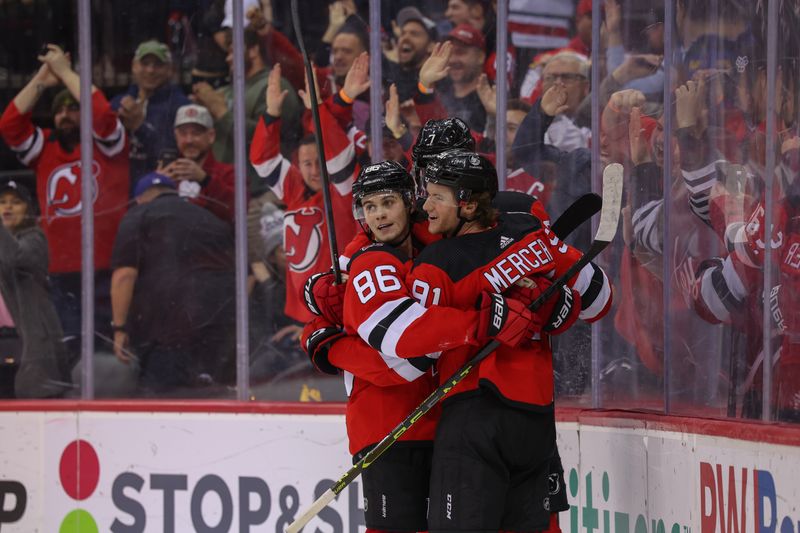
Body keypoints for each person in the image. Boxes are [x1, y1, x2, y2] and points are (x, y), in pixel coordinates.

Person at [301, 161, 544, 533]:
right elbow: (399, 357)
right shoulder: (372, 263)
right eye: (370, 207)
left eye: (387, 202)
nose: (380, 214)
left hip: (439, 423)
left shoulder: (435, 245)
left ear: (408, 201)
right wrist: (326, 341)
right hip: (386, 427)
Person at [402, 150, 612, 532]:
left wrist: (551, 302)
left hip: (472, 416)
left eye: (436, 196)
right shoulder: (532, 236)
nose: (425, 205)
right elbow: (598, 301)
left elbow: (414, 350)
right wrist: (557, 300)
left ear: (466, 204)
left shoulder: (435, 263)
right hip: (533, 419)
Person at [0, 43, 129, 357]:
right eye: (59, 110)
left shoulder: (109, 143)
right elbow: (10, 125)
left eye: (73, 107)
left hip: (106, 268)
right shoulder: (45, 147)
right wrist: (45, 76)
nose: (65, 115)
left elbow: (101, 114)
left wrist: (69, 73)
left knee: (109, 356)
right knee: (70, 357)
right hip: (60, 271)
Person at [110, 172, 236, 396]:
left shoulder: (138, 215)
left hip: (166, 336)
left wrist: (119, 328)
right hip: (218, 333)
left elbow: (124, 275)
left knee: (160, 409)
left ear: (139, 198)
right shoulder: (210, 219)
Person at [192, 26, 302, 196]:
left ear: (253, 50)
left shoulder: (273, 86)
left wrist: (221, 112)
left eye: (233, 51)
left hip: (261, 194)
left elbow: (271, 138)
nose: (228, 59)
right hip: (224, 192)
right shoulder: (227, 91)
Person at [0, 179, 68, 398]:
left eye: (15, 202)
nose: (7, 207)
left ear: (27, 209)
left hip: (29, 345)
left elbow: (14, 257)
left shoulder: (35, 239)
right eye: (2, 202)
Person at [111, 39, 191, 185]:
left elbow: (172, 154)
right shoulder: (118, 103)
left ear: (170, 69)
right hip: (121, 189)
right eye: (145, 63)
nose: (150, 70)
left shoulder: (181, 106)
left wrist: (140, 127)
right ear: (133, 66)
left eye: (158, 64)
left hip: (161, 188)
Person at [156, 104, 236, 223]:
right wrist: (157, 185)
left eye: (196, 133)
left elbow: (235, 212)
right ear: (176, 136)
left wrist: (205, 180)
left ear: (211, 136)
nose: (189, 140)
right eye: (183, 134)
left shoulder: (229, 173)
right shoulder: (165, 172)